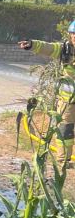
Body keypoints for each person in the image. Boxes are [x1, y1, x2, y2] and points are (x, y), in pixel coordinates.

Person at [19, 21, 75, 168]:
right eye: (73, 34)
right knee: (65, 130)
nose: (74, 37)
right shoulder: (66, 50)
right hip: (68, 100)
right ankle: (64, 161)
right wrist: (32, 45)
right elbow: (48, 48)